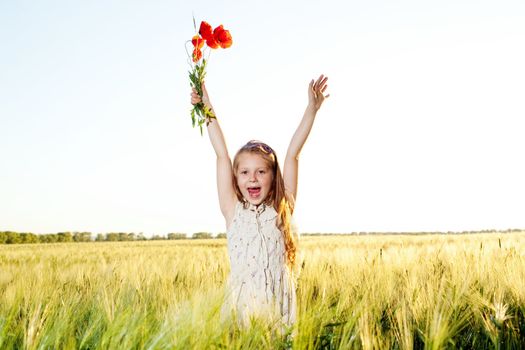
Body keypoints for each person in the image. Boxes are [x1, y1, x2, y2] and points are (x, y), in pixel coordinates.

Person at [189, 75, 329, 334]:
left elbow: (293, 154)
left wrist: (312, 109)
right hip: (240, 313)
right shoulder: (232, 211)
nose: (252, 178)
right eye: (244, 173)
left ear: (273, 176)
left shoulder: (281, 210)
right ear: (235, 177)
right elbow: (221, 153)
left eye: (261, 172)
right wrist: (205, 105)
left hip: (278, 313)